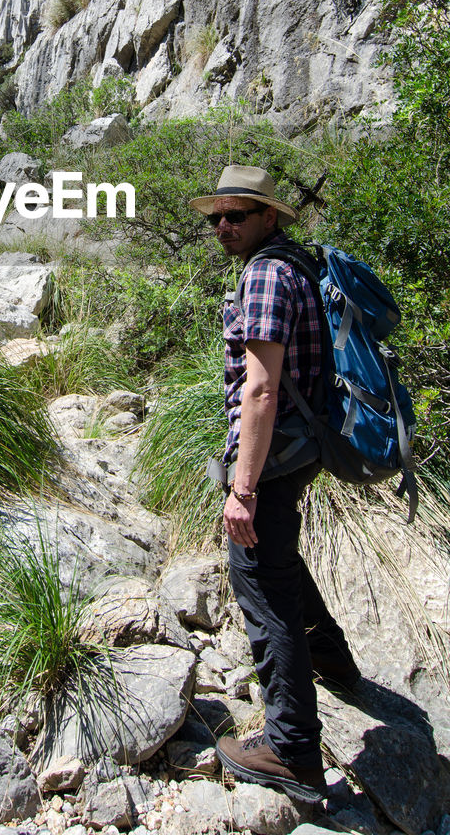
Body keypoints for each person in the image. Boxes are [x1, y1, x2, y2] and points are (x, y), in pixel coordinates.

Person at [189, 165, 360, 806]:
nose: (224, 226)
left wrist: (242, 489)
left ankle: (292, 749)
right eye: (217, 218)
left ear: (269, 217)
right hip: (303, 445)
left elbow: (259, 389)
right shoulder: (296, 266)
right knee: (279, 560)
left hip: (275, 454)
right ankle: (334, 659)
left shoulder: (263, 275)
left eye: (237, 215)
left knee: (261, 582)